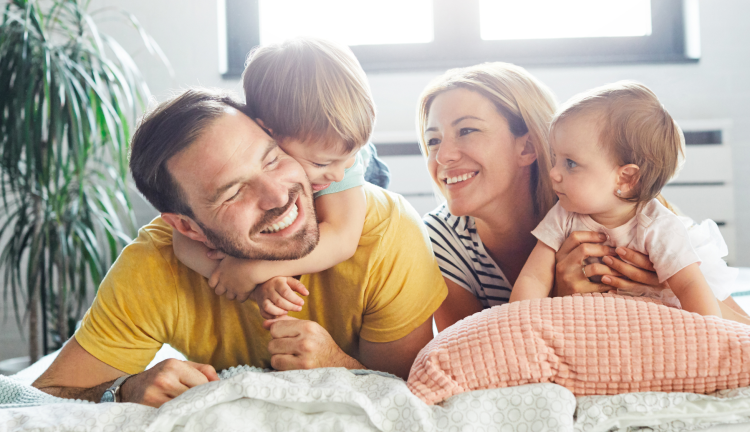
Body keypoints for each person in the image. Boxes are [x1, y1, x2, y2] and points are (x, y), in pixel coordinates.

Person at [31, 89, 448, 407]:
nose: (277, 196)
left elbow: (411, 397)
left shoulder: (382, 233)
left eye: (272, 159)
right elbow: (47, 395)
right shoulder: (154, 266)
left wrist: (337, 364)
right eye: (233, 192)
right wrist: (125, 389)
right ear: (186, 228)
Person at [419, 63, 750, 331]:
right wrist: (559, 299)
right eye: (433, 140)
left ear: (526, 146)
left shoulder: (609, 202)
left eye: (466, 130)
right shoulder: (439, 241)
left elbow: (747, 332)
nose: (443, 156)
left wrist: (665, 290)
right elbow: (470, 352)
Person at [172, 38, 383, 318]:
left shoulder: (340, 162)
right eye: (321, 162)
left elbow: (342, 239)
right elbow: (183, 241)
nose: (338, 172)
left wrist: (255, 269)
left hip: (374, 172)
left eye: (350, 156)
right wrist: (238, 279)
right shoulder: (242, 138)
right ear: (268, 135)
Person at [512, 81, 722, 317]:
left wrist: (710, 335)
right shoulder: (563, 214)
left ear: (626, 178)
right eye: (555, 157)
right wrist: (519, 323)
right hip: (585, 324)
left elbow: (690, 286)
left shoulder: (658, 227)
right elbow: (533, 277)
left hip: (645, 323)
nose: (553, 172)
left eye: (571, 163)